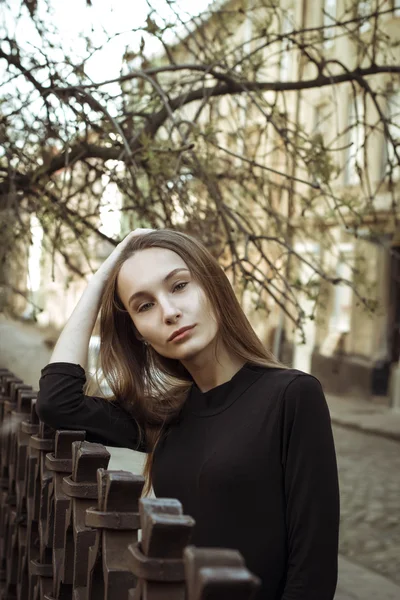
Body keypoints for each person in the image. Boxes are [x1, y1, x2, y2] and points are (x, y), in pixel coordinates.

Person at [37, 228, 340, 600]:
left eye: (179, 286)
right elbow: (57, 402)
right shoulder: (168, 416)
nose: (169, 312)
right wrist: (103, 277)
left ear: (212, 286)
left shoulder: (292, 396)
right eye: (143, 305)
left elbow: (313, 573)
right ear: (139, 333)